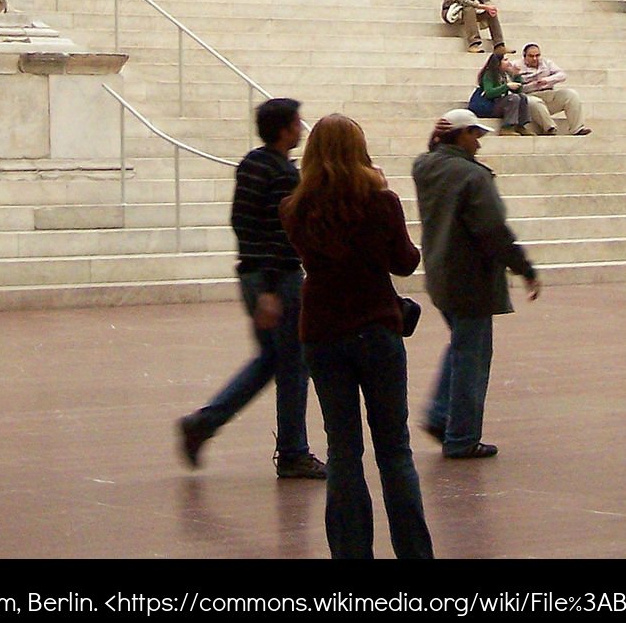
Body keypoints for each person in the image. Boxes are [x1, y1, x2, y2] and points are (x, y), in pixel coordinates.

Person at [279, 114, 433, 559]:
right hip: (375, 326)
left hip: (322, 330)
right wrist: (383, 192)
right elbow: (404, 262)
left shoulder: (293, 208)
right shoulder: (379, 201)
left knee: (342, 451)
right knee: (394, 450)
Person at [178, 98, 327, 480]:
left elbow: (241, 222)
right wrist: (271, 287)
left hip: (257, 274)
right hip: (275, 278)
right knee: (292, 364)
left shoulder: (255, 165)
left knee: (274, 360)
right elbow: (277, 233)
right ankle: (292, 451)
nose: (300, 129)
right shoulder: (279, 174)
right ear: (283, 129)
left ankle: (205, 423)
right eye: (295, 123)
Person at [413, 111, 540, 459]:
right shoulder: (473, 176)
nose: (479, 141)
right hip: (471, 279)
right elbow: (493, 231)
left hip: (441, 274)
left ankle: (442, 416)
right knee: (473, 357)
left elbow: (428, 156)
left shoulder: (425, 167)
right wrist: (524, 268)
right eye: (474, 134)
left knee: (460, 347)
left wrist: (434, 141)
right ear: (460, 135)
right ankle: (461, 437)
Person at [517, 43, 590, 136]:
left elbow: (562, 75)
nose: (535, 59)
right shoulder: (516, 65)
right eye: (531, 56)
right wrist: (533, 85)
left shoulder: (547, 63)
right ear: (524, 56)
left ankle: (577, 128)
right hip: (529, 96)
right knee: (533, 101)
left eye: (537, 55)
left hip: (548, 94)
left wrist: (546, 80)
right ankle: (550, 128)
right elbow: (515, 87)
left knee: (571, 95)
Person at [469, 48, 537, 134]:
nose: (508, 63)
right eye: (505, 60)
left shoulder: (506, 74)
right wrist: (506, 86)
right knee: (513, 98)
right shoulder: (489, 74)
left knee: (522, 97)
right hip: (489, 106)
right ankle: (507, 127)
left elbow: (518, 91)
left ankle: (521, 125)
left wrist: (517, 76)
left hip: (499, 102)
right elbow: (489, 93)